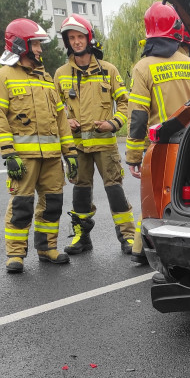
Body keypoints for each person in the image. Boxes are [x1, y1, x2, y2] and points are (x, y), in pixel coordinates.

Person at [0, 18, 78, 272]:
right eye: (35, 44)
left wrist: (69, 153)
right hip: (23, 158)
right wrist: (9, 154)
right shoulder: (2, 77)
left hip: (51, 158)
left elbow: (61, 118)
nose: (39, 49)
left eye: (39, 44)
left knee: (52, 205)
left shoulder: (46, 78)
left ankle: (47, 248)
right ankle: (15, 255)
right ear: (20, 45)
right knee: (22, 206)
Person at [126, 2, 190, 264]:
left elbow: (138, 117)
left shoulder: (143, 68)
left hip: (161, 146)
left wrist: (133, 155)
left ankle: (142, 250)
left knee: (154, 200)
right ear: (176, 29)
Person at [53, 15, 135, 255]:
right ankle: (81, 238)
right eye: (71, 38)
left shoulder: (108, 70)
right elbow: (54, 110)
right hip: (77, 147)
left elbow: (125, 103)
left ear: (89, 39)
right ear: (67, 42)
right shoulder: (60, 74)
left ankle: (128, 238)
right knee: (80, 193)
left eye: (80, 37)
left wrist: (113, 123)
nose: (76, 42)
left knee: (115, 191)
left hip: (105, 146)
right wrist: (67, 120)